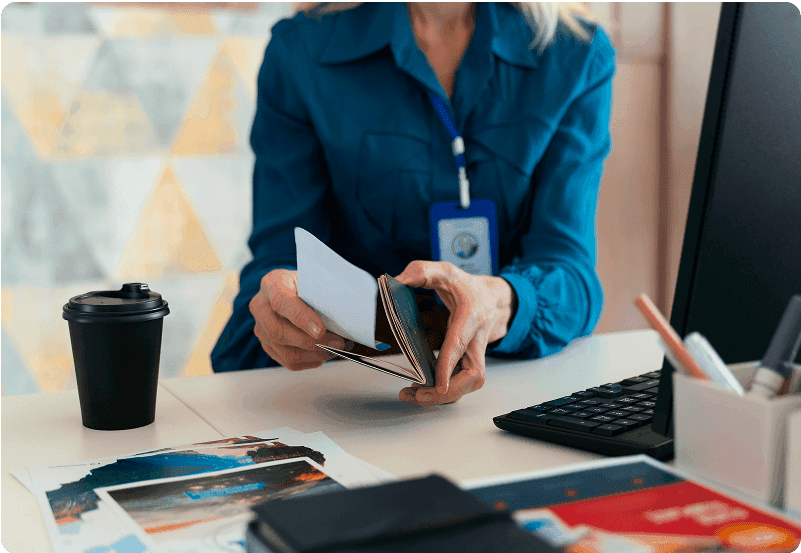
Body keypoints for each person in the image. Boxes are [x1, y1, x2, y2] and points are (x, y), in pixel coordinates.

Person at [212, 2, 615, 408]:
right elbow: (282, 254)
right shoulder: (302, 48)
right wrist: (280, 302)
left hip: (511, 390)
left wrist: (496, 302)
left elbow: (569, 269)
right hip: (339, 391)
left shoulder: (576, 54)